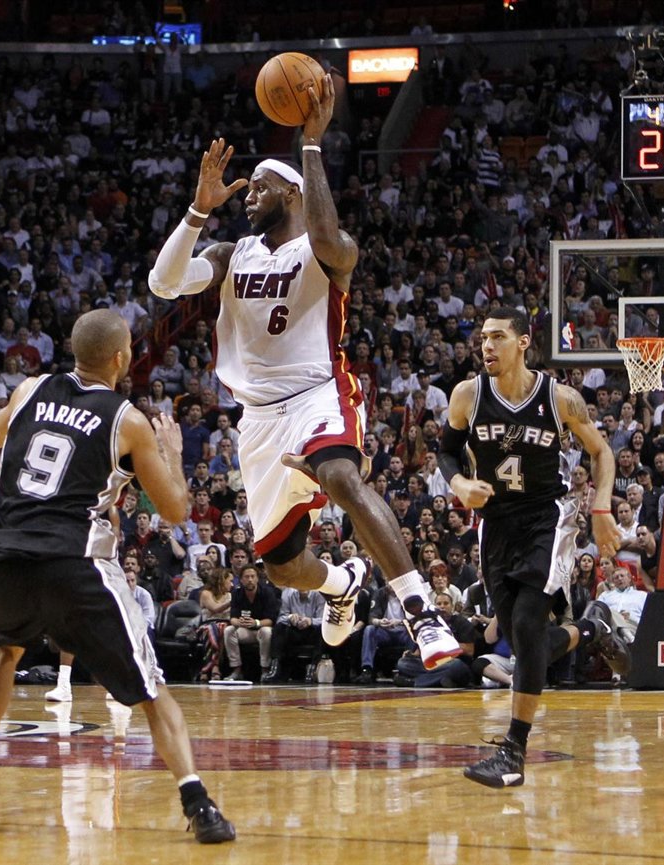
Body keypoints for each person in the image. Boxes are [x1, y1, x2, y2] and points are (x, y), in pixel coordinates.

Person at [148, 78, 459, 669]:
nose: (247, 197)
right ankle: (342, 584)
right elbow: (163, 284)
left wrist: (311, 145)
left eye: (259, 187)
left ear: (292, 193)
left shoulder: (328, 250)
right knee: (282, 565)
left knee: (340, 475)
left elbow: (325, 234)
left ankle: (421, 612)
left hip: (319, 392)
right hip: (258, 419)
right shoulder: (231, 254)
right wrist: (197, 211)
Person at [0, 310, 235, 844]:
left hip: (5, 554)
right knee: (149, 688)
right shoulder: (127, 419)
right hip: (74, 561)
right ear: (121, 358)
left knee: (3, 648)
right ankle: (198, 804)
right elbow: (175, 510)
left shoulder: (31, 388)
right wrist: (171, 454)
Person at [438, 307, 628, 787]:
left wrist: (601, 508)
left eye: (498, 337)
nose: (487, 346)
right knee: (525, 644)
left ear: (523, 343)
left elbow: (601, 451)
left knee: (525, 625)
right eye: (483, 337)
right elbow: (446, 451)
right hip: (495, 523)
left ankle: (513, 752)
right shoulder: (467, 395)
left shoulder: (559, 398)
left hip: (548, 519)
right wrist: (459, 483)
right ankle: (590, 629)